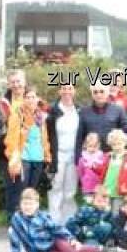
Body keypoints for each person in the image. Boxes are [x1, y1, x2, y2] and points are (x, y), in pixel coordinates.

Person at [7, 188, 104, 252]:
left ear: (37, 205)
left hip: (55, 240)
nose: (27, 207)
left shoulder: (42, 216)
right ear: (20, 204)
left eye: (31, 204)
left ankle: (103, 250)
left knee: (71, 251)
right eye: (25, 204)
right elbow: (14, 236)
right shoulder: (17, 219)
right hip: (45, 250)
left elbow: (57, 228)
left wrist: (71, 239)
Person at [4, 86, 52, 220]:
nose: (31, 100)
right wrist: (13, 157)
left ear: (37, 99)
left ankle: (31, 220)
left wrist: (47, 156)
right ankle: (17, 221)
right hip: (23, 158)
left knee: (33, 191)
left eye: (33, 97)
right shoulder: (17, 114)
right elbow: (11, 138)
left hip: (38, 158)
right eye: (27, 97)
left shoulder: (40, 116)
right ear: (23, 99)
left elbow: (44, 138)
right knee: (21, 192)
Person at [46, 82, 80, 222]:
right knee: (55, 189)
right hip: (57, 155)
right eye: (64, 88)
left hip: (73, 156)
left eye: (70, 88)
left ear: (74, 91)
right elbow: (47, 135)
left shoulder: (79, 110)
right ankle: (54, 222)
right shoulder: (52, 112)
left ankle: (69, 223)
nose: (67, 91)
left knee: (70, 191)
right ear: (59, 91)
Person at [0, 69, 28, 224]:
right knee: (12, 186)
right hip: (9, 152)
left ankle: (27, 219)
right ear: (9, 84)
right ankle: (12, 219)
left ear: (25, 82)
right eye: (13, 82)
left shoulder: (32, 100)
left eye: (19, 81)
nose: (16, 85)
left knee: (26, 187)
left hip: (29, 151)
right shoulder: (3, 104)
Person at [76, 81, 127, 153]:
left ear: (108, 92)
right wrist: (78, 159)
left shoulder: (118, 110)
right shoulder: (84, 112)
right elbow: (79, 139)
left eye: (102, 91)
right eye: (95, 92)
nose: (99, 95)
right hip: (91, 158)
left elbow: (126, 134)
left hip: (113, 158)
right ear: (92, 94)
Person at [103, 129, 127, 213]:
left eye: (119, 144)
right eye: (114, 144)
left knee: (116, 212)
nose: (117, 147)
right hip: (107, 189)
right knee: (105, 212)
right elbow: (102, 171)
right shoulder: (108, 157)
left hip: (120, 190)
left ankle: (117, 226)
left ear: (124, 143)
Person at [77, 133, 107, 203]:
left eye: (95, 146)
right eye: (90, 146)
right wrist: (84, 181)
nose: (92, 149)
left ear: (99, 145)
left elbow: (104, 171)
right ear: (85, 145)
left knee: (100, 205)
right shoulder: (82, 159)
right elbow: (81, 173)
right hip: (88, 188)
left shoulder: (102, 157)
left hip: (99, 188)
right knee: (89, 205)